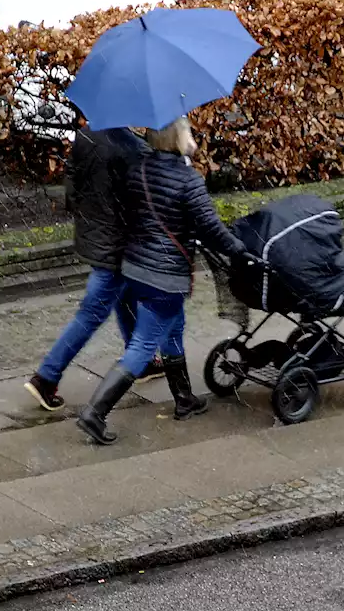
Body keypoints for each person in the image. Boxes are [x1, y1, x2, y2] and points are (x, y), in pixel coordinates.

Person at [76, 116, 247, 445]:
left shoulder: (138, 169)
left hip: (137, 268)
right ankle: (94, 413)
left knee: (173, 327)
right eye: (188, 132)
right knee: (142, 346)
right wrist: (238, 249)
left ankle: (184, 399)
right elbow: (211, 229)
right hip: (164, 277)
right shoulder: (187, 180)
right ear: (177, 139)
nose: (192, 136)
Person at [25, 126, 162, 412]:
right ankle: (47, 377)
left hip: (97, 238)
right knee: (91, 314)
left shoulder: (87, 136)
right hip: (119, 247)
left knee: (125, 296)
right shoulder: (134, 149)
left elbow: (73, 186)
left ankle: (143, 361)